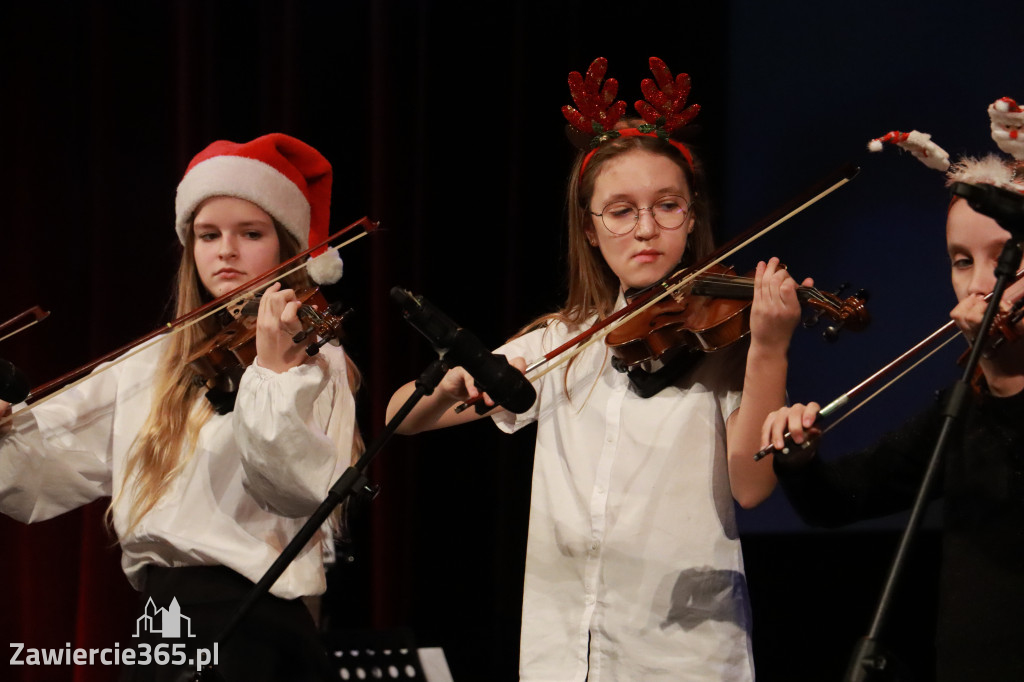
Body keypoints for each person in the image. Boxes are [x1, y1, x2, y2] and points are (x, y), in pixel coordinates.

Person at [386, 58, 809, 681]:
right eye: (621, 211)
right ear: (589, 228)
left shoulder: (724, 342)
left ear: (691, 217)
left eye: (667, 206)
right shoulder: (559, 343)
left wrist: (770, 348)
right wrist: (452, 380)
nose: (646, 229)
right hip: (564, 654)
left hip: (682, 658)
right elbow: (401, 419)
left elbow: (750, 488)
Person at [0, 133, 360, 681]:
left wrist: (272, 373)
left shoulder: (312, 356)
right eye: (208, 234)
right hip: (163, 619)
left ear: (285, 246)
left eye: (251, 233)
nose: (226, 251)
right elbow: (49, 458)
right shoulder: (153, 361)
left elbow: (291, 488)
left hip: (256, 626)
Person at [760, 157, 1024, 681]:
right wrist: (802, 460)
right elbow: (838, 501)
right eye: (961, 260)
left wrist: (997, 364)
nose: (980, 284)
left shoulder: (989, 399)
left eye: (1007, 258)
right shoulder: (964, 409)